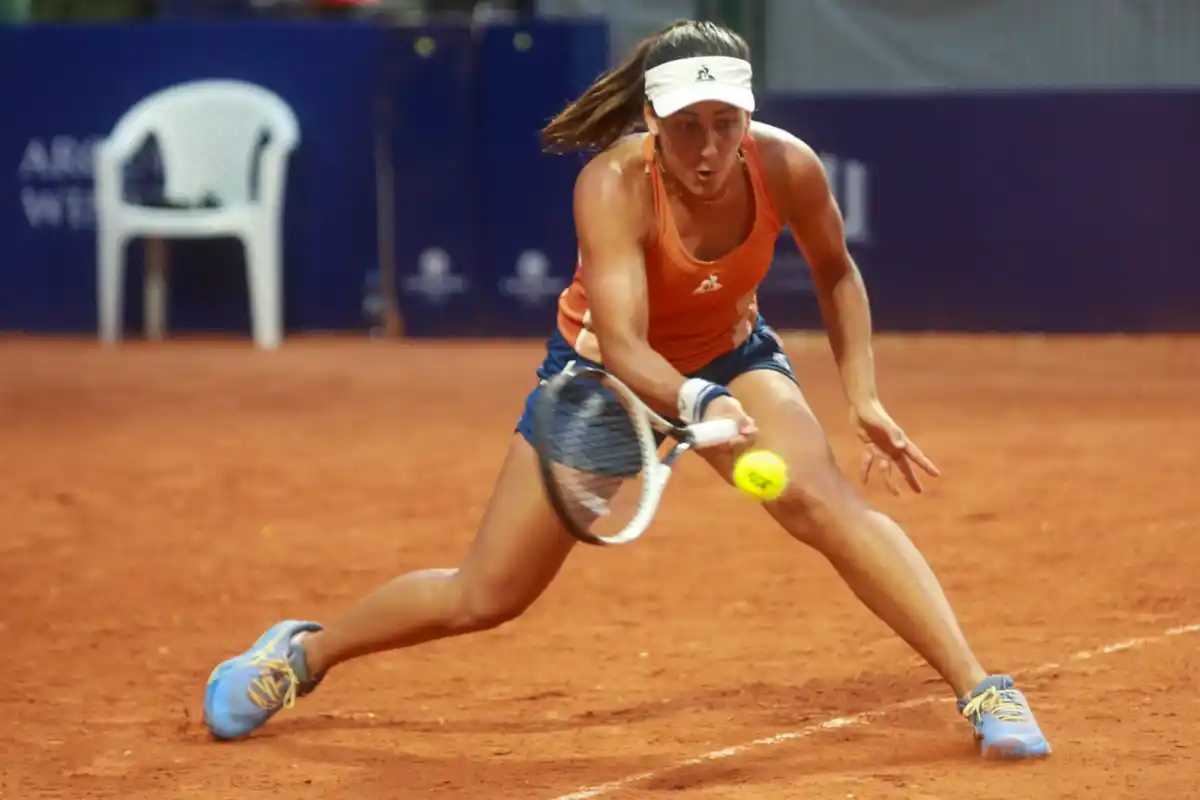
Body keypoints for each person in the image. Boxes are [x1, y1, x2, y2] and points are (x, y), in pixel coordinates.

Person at [202, 18, 1051, 760]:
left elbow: (836, 271)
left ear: (748, 118)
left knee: (822, 502)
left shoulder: (788, 167)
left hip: (731, 356)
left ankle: (982, 690)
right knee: (486, 596)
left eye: (726, 125)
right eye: (687, 128)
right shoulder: (611, 186)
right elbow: (624, 344)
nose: (710, 149)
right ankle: (300, 657)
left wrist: (860, 395)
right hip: (608, 382)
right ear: (651, 119)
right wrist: (693, 405)